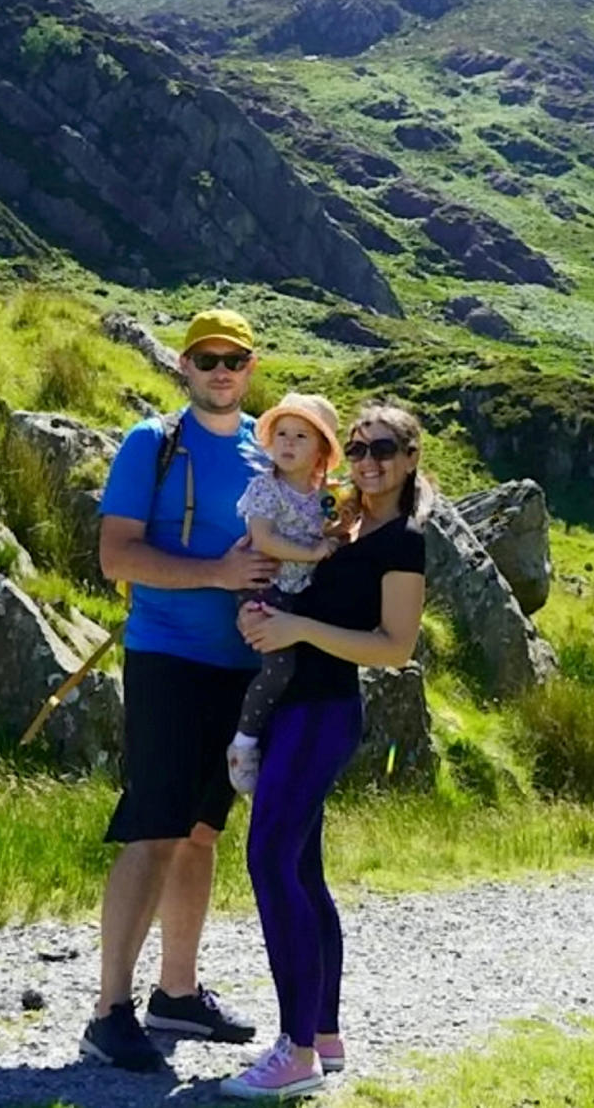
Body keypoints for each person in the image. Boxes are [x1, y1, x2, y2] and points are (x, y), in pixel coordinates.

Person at [80, 309, 279, 1074]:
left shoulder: (269, 447)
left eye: (234, 359)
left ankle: (176, 995)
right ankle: (107, 1012)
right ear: (185, 368)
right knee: (154, 829)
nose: (221, 370)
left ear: (250, 368)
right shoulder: (150, 444)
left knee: (201, 832)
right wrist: (218, 575)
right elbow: (115, 556)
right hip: (166, 659)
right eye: (207, 358)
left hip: (242, 670)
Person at [220, 401, 431, 1101]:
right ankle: (325, 1035)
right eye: (361, 448)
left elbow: (394, 647)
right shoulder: (344, 517)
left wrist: (294, 629)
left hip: (323, 711)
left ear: (408, 461)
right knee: (303, 873)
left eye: (384, 451)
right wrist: (266, 616)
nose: (369, 462)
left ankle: (295, 1051)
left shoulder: (401, 540)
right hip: (292, 708)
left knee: (269, 860)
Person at [227, 393, 344, 795]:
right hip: (264, 585)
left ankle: (283, 745)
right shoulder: (265, 488)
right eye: (281, 434)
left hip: (298, 590)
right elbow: (264, 539)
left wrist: (338, 532)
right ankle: (244, 743)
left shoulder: (324, 496)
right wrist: (312, 552)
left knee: (301, 669)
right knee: (279, 666)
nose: (288, 444)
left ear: (321, 452)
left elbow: (336, 531)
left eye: (300, 436)